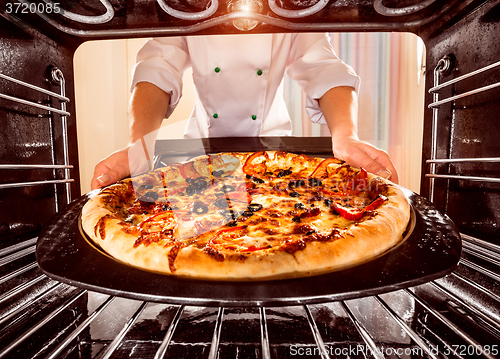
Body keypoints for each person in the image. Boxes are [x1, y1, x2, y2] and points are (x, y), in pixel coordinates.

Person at [91, 33, 398, 190]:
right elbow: (158, 68)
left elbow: (324, 69)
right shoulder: (185, 4)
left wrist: (345, 136)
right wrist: (140, 144)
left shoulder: (292, 4)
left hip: (272, 151)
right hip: (199, 150)